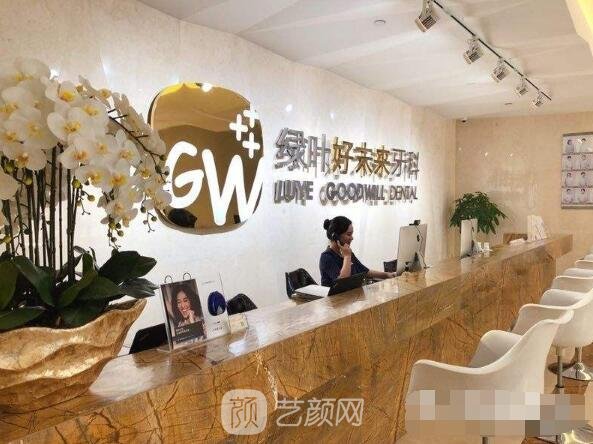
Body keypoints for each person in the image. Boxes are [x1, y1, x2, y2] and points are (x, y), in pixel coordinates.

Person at [319, 216, 396, 287]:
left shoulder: (348, 253)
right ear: (336, 237)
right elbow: (342, 282)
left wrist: (387, 275)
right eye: (349, 234)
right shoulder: (326, 257)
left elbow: (364, 271)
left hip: (351, 296)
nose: (352, 238)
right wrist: (347, 257)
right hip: (336, 297)